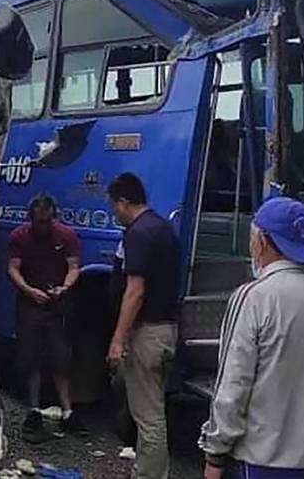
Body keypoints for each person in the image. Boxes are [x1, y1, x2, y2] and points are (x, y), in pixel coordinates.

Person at [199, 196, 304, 479]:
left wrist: (215, 452)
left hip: (266, 460)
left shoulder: (254, 298)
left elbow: (233, 385)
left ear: (261, 242)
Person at [105, 172, 179, 479]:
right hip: (166, 330)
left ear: (123, 202)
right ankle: (146, 470)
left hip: (147, 334)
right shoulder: (162, 227)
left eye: (113, 206)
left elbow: (134, 291)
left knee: (148, 416)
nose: (113, 213)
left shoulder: (137, 233)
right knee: (153, 407)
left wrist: (118, 340)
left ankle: (150, 475)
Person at [7, 193, 82, 441]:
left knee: (62, 357)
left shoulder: (66, 236)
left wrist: (64, 287)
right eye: (38, 222)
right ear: (31, 220)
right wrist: (29, 290)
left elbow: (73, 267)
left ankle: (68, 411)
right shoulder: (19, 237)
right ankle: (34, 409)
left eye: (46, 221)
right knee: (31, 357)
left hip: (57, 303)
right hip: (30, 303)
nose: (42, 226)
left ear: (53, 217)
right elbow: (13, 268)